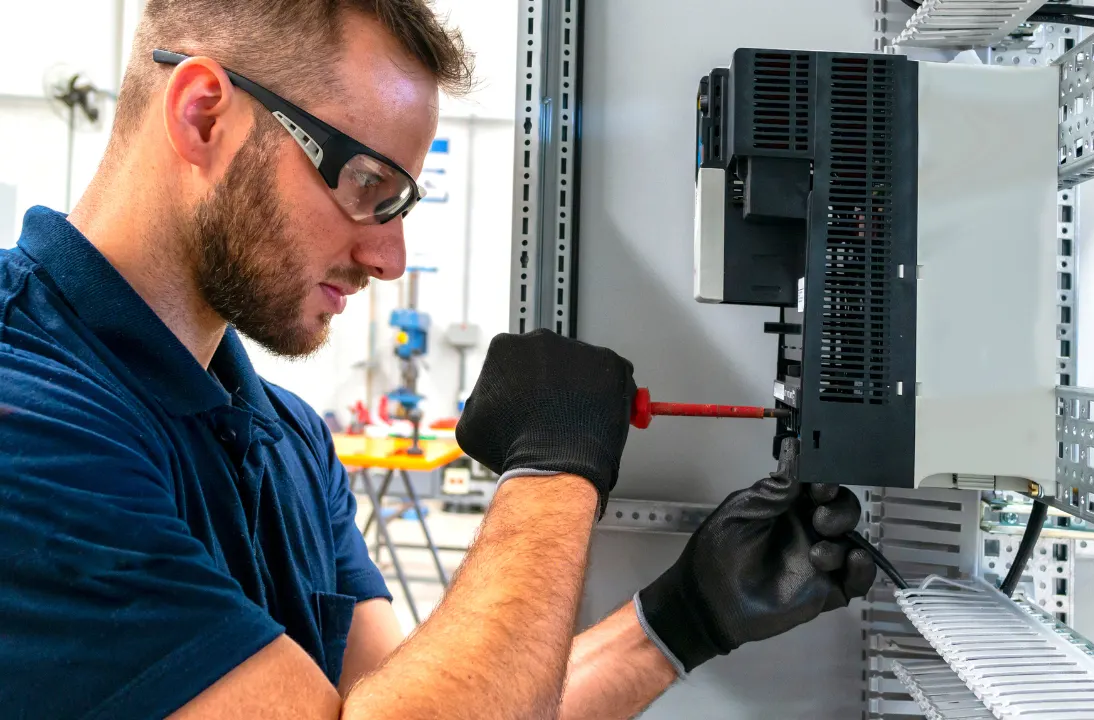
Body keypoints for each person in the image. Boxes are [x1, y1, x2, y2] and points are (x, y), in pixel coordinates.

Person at [0, 1, 877, 718]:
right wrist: (552, 470)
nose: (388, 259)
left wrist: (682, 618)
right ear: (203, 114)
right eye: (365, 186)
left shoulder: (286, 440)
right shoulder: (25, 422)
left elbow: (430, 705)